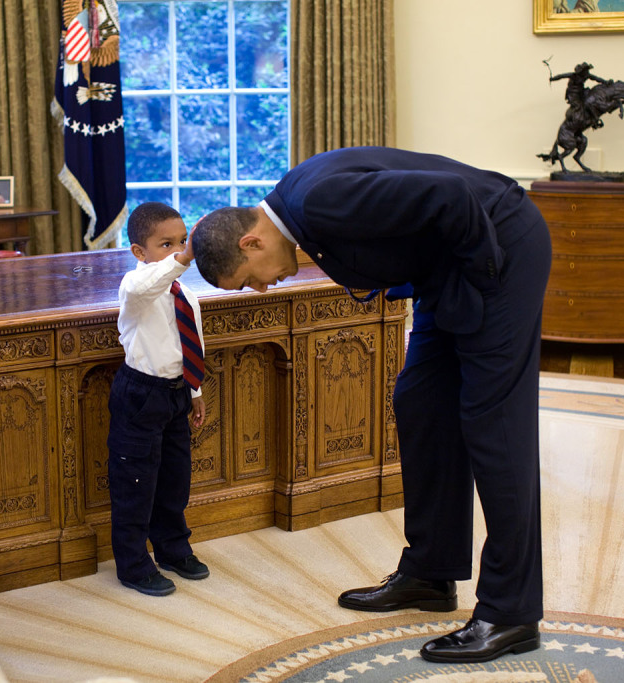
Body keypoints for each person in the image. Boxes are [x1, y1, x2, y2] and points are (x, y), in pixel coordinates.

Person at [191, 146, 552, 663]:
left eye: (249, 278)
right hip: (450, 269)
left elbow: (452, 195)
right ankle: (430, 573)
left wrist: (486, 280)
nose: (262, 286)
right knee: (421, 404)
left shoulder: (318, 201)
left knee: (495, 428)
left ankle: (511, 613)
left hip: (497, 251)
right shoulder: (299, 209)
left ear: (251, 241)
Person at [108, 202, 209, 597]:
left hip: (176, 394)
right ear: (139, 252)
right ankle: (133, 564)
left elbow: (190, 341)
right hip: (140, 394)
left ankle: (173, 548)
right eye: (165, 244)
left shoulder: (184, 292)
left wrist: (195, 390)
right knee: (136, 482)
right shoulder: (135, 289)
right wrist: (183, 258)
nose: (176, 250)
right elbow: (145, 284)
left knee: (173, 479)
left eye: (182, 241)